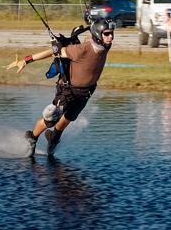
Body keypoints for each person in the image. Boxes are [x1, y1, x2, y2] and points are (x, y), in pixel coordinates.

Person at [9, 19, 114, 157]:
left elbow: (90, 37)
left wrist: (91, 23)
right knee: (51, 120)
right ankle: (32, 137)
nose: (110, 37)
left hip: (86, 93)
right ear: (98, 34)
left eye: (111, 33)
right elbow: (53, 52)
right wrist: (26, 60)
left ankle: (54, 137)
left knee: (68, 118)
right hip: (68, 90)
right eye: (107, 34)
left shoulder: (105, 45)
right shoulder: (80, 51)